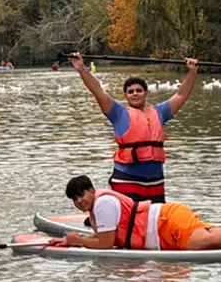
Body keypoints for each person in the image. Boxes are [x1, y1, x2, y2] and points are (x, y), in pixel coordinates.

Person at [67, 51, 200, 205]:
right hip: (127, 180)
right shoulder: (118, 113)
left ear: (145, 93)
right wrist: (82, 69)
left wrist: (192, 71)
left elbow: (181, 95)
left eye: (139, 91)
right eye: (130, 92)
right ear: (126, 96)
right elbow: (98, 91)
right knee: (129, 224)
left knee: (155, 223)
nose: (135, 94)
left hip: (155, 182)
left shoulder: (159, 113)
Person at [56, 174, 221, 251]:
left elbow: (105, 244)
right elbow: (102, 238)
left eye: (81, 196)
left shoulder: (102, 204)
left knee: (207, 241)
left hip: (164, 225)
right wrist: (68, 240)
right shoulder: (100, 204)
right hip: (165, 221)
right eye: (74, 200)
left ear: (92, 191)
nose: (79, 202)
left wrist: (78, 241)